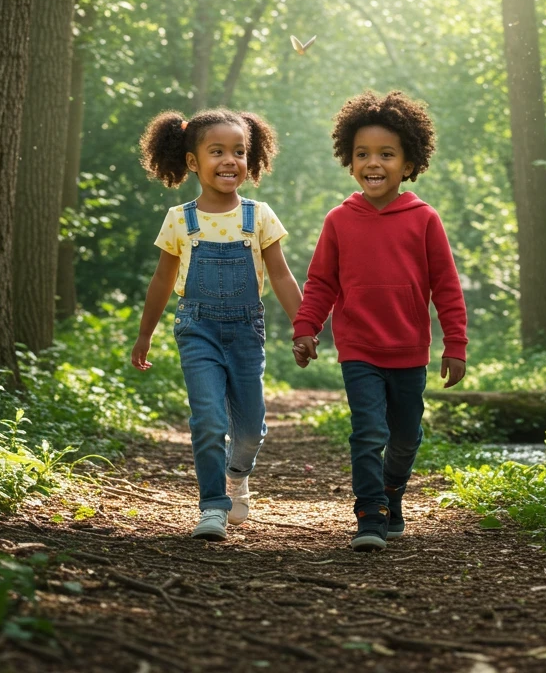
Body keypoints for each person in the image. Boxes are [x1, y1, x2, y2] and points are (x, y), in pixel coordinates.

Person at [292, 90, 468, 552]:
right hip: (359, 349)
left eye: (387, 154)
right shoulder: (339, 220)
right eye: (363, 154)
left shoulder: (424, 219)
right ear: (350, 163)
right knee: (368, 430)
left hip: (410, 350)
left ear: (409, 163)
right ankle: (369, 510)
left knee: (406, 436)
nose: (374, 163)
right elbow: (321, 283)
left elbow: (447, 288)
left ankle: (392, 491)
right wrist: (306, 328)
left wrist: (456, 344)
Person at [131, 108, 303, 541]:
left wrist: (305, 325)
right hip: (197, 328)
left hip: (246, 331)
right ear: (193, 162)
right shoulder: (180, 219)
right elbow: (162, 279)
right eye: (218, 151)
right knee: (207, 419)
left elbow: (280, 275)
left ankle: (237, 474)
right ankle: (212, 505)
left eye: (240, 152)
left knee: (250, 429)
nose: (231, 160)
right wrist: (145, 334)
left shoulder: (259, 216)